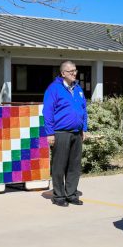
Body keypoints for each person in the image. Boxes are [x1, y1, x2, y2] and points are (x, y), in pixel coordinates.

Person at [43, 61, 88, 206]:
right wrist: (50, 133)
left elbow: (83, 110)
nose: (74, 73)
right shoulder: (54, 89)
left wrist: (84, 128)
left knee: (74, 165)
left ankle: (71, 194)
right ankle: (59, 196)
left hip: (76, 132)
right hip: (61, 132)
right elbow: (48, 112)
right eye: (71, 71)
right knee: (59, 165)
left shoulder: (78, 89)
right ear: (63, 73)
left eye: (75, 70)